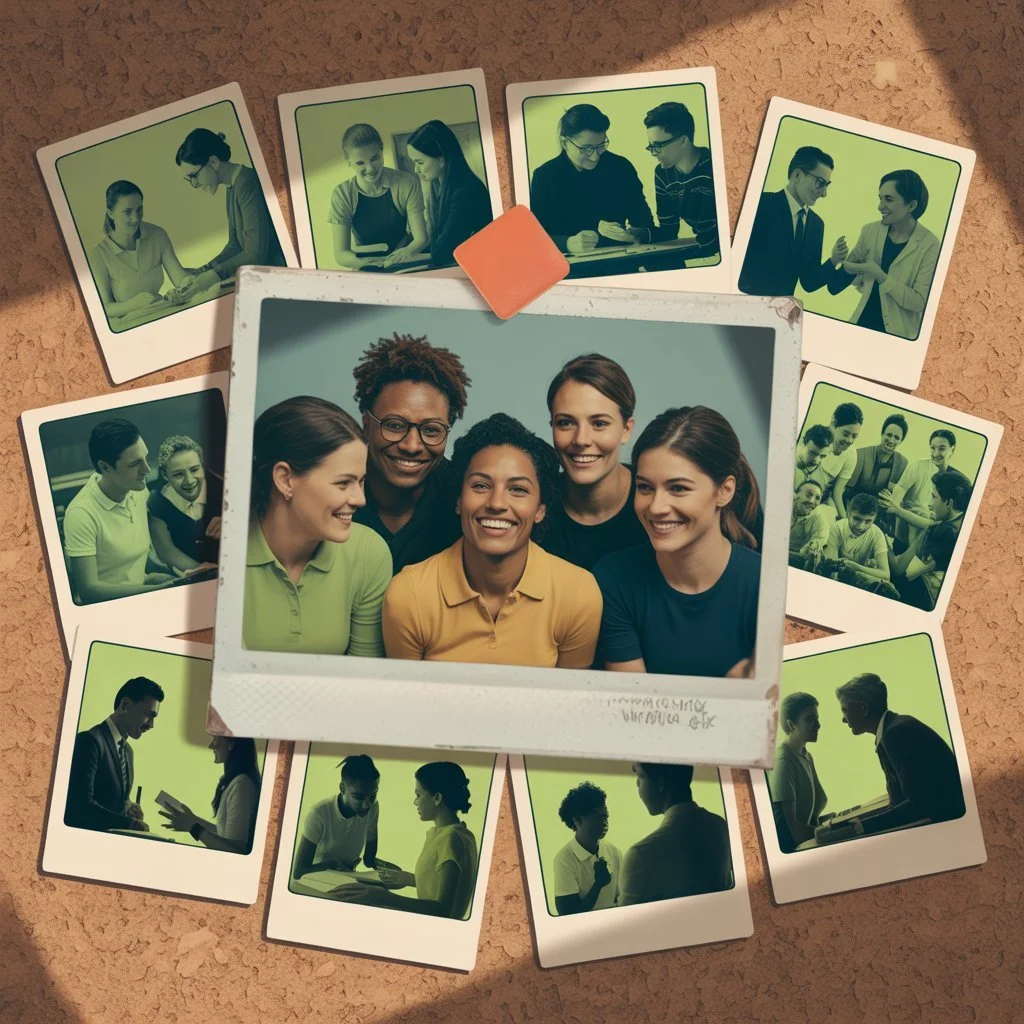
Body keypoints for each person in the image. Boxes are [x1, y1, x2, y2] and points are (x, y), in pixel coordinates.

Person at [382, 413, 602, 667]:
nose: (496, 504)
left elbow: (568, 702)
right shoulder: (409, 595)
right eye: (480, 486)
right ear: (458, 501)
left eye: (518, 489)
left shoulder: (578, 595)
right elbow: (408, 701)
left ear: (540, 509)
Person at [593, 406, 762, 679]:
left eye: (678, 488)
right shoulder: (613, 579)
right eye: (645, 487)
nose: (657, 507)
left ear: (724, 491)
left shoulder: (767, 586)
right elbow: (633, 709)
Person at [243, 396, 392, 655]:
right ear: (285, 479)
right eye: (343, 483)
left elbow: (363, 679)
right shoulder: (223, 557)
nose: (360, 499)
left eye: (361, 482)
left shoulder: (368, 553)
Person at [351, 332, 470, 573]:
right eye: (395, 425)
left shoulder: (463, 498)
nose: (412, 446)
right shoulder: (331, 488)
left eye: (431, 430)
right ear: (367, 424)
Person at [819, 673, 965, 843]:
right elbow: (901, 800)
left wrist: (856, 829)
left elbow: (919, 804)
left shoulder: (895, 734)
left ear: (864, 708)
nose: (843, 719)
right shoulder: (894, 727)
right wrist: (848, 824)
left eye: (845, 710)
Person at [538, 353, 647, 571]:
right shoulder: (535, 507)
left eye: (599, 423)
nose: (581, 440)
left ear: (626, 430)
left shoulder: (656, 503)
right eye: (566, 423)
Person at [329, 762, 479, 919]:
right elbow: (448, 885)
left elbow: (443, 910)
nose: (415, 802)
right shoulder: (461, 834)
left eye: (418, 795)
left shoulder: (451, 839)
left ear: (437, 798)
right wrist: (407, 878)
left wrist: (382, 896)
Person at [62, 419, 177, 604]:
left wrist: (155, 576)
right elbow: (89, 591)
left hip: (142, 598)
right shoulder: (80, 514)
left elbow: (132, 560)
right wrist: (153, 590)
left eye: (145, 458)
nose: (147, 470)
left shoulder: (139, 492)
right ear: (105, 467)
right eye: (135, 464)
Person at [827, 170, 940, 339]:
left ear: (911, 206)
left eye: (888, 199)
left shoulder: (930, 245)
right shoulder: (870, 231)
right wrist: (838, 260)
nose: (880, 206)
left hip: (897, 339)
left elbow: (918, 303)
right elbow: (834, 287)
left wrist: (879, 275)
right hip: (859, 327)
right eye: (880, 198)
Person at [174, 127, 285, 299]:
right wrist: (204, 270)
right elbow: (235, 244)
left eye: (194, 176)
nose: (194, 184)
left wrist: (214, 276)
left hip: (279, 280)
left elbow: (255, 253)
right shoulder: (232, 186)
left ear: (213, 162)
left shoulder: (246, 184)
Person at [529, 103, 654, 255]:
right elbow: (533, 239)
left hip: (619, 263)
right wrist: (566, 243)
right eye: (586, 148)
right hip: (571, 270)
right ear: (565, 143)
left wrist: (634, 235)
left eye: (601, 145)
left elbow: (645, 224)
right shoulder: (544, 176)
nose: (595, 157)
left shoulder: (620, 167)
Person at [738, 146, 848, 297]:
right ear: (797, 175)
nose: (824, 193)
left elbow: (809, 282)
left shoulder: (817, 225)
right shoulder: (760, 204)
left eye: (826, 185)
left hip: (780, 315)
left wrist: (834, 260)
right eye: (820, 183)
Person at [619, 763, 732, 904]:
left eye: (640, 776)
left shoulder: (641, 855)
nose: (637, 783)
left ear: (660, 784)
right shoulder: (721, 826)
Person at [65, 677, 163, 833]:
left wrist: (127, 806)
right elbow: (80, 806)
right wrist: (129, 824)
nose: (151, 725)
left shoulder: (128, 752)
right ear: (125, 705)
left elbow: (109, 799)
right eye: (149, 715)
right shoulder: (89, 741)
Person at [89, 180, 194, 320]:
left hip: (161, 314)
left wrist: (187, 285)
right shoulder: (99, 254)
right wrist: (133, 304)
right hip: (127, 325)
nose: (136, 218)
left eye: (139, 209)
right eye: (127, 212)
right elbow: (104, 308)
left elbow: (180, 278)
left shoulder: (158, 235)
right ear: (110, 213)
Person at [328, 123, 428, 270]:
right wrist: (367, 265)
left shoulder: (406, 182)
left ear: (382, 150)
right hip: (365, 265)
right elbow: (341, 253)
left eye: (375, 158)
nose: (370, 169)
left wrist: (403, 255)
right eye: (360, 163)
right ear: (348, 160)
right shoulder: (342, 194)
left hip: (403, 262)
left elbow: (420, 238)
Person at [293, 755, 397, 878]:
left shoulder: (373, 807)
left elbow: (368, 860)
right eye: (359, 797)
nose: (367, 804)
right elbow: (299, 872)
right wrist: (332, 864)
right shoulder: (319, 814)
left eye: (373, 795)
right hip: (314, 881)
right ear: (342, 788)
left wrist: (391, 870)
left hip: (346, 879)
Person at [405, 120, 492, 266]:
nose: (416, 170)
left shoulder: (466, 192)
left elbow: (443, 251)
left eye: (419, 162)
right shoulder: (440, 187)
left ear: (441, 160)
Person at [641, 101, 719, 259]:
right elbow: (668, 230)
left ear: (684, 140)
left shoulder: (714, 167)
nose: (653, 153)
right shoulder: (662, 174)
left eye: (658, 145)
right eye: (651, 146)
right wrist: (641, 235)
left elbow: (711, 239)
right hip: (704, 249)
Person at [158, 737, 261, 854]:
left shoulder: (241, 784)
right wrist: (193, 820)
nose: (210, 745)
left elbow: (236, 850)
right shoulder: (236, 782)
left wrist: (192, 827)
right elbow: (225, 836)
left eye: (215, 739)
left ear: (231, 744)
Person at [890, 468, 972, 611]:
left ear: (949, 504)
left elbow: (903, 572)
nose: (929, 503)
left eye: (933, 497)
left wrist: (878, 540)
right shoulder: (966, 523)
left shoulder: (941, 531)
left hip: (925, 602)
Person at [147, 434, 223, 574]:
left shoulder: (225, 488)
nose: (189, 481)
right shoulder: (156, 502)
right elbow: (166, 551)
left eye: (194, 470)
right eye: (178, 474)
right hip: (190, 572)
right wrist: (206, 573)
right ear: (165, 475)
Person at [768, 692, 829, 852]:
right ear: (790, 725)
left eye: (817, 718)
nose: (818, 725)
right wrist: (833, 832)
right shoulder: (783, 762)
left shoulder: (806, 756)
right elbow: (795, 833)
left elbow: (810, 821)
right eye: (810, 719)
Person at [879, 428, 957, 553]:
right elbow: (898, 493)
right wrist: (893, 507)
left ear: (952, 450)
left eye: (942, 448)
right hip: (905, 532)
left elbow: (946, 520)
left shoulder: (955, 480)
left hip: (933, 535)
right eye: (932, 448)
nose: (936, 453)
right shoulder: (917, 466)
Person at [552, 781, 622, 914]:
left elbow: (623, 899)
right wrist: (598, 885)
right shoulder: (563, 860)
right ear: (577, 820)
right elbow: (567, 914)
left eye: (605, 816)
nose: (604, 822)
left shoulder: (615, 852)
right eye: (597, 817)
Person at [845, 414, 910, 537]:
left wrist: (892, 501)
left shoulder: (903, 464)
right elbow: (846, 492)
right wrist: (845, 518)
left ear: (901, 441)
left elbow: (899, 501)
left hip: (879, 519)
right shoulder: (860, 454)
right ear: (882, 434)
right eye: (889, 435)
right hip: (853, 513)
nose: (891, 440)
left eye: (896, 437)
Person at [822, 492, 894, 592]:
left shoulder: (877, 534)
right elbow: (829, 565)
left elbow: (886, 574)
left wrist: (856, 567)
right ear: (848, 513)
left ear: (875, 518)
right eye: (857, 519)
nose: (861, 526)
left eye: (868, 521)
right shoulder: (837, 528)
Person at [814, 402, 863, 521]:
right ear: (833, 424)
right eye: (846, 434)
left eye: (854, 436)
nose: (849, 440)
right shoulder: (814, 439)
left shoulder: (851, 454)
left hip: (822, 500)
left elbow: (837, 492)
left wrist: (845, 520)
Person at [789, 480, 830, 571]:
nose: (812, 501)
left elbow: (808, 556)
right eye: (808, 495)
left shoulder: (821, 522)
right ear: (796, 495)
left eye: (817, 498)